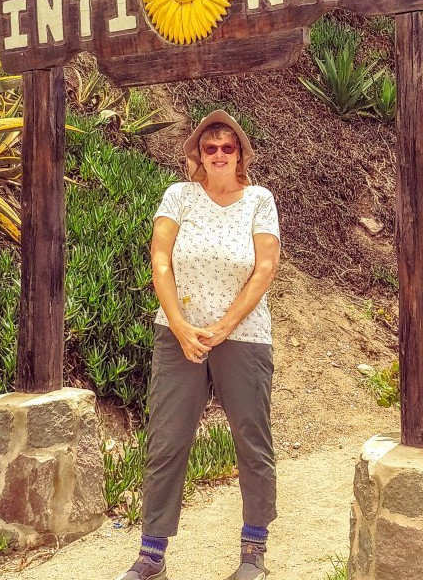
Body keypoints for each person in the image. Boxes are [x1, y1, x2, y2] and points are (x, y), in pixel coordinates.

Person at [119, 110, 280, 580]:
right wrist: (180, 324)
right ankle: (152, 555)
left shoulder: (259, 200)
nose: (218, 155)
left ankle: (253, 553)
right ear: (197, 153)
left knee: (252, 440)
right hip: (178, 336)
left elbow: (264, 269)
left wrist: (225, 327)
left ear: (241, 154)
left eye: (227, 147)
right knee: (166, 441)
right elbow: (160, 258)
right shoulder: (179, 196)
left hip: (244, 336)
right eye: (209, 147)